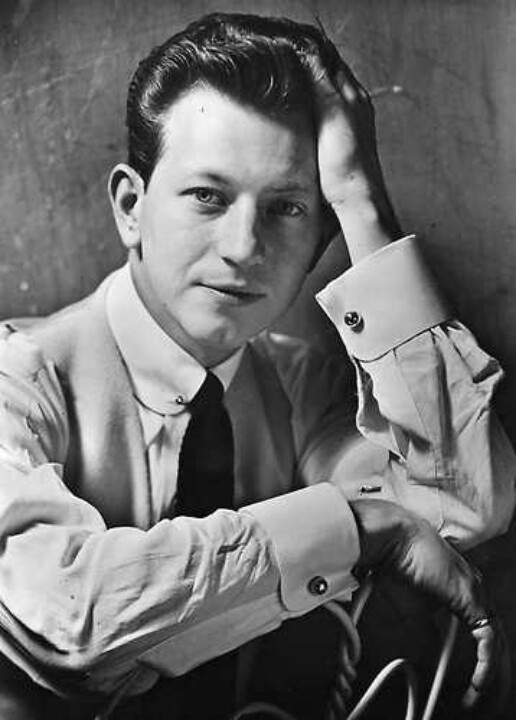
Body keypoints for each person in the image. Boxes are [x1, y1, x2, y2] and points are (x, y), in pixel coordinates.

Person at [0, 11, 514, 720]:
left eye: (288, 208)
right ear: (130, 206)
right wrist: (356, 528)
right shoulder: (16, 383)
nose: (244, 246)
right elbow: (70, 619)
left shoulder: (303, 388)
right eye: (208, 197)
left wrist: (363, 205)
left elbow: (465, 501)